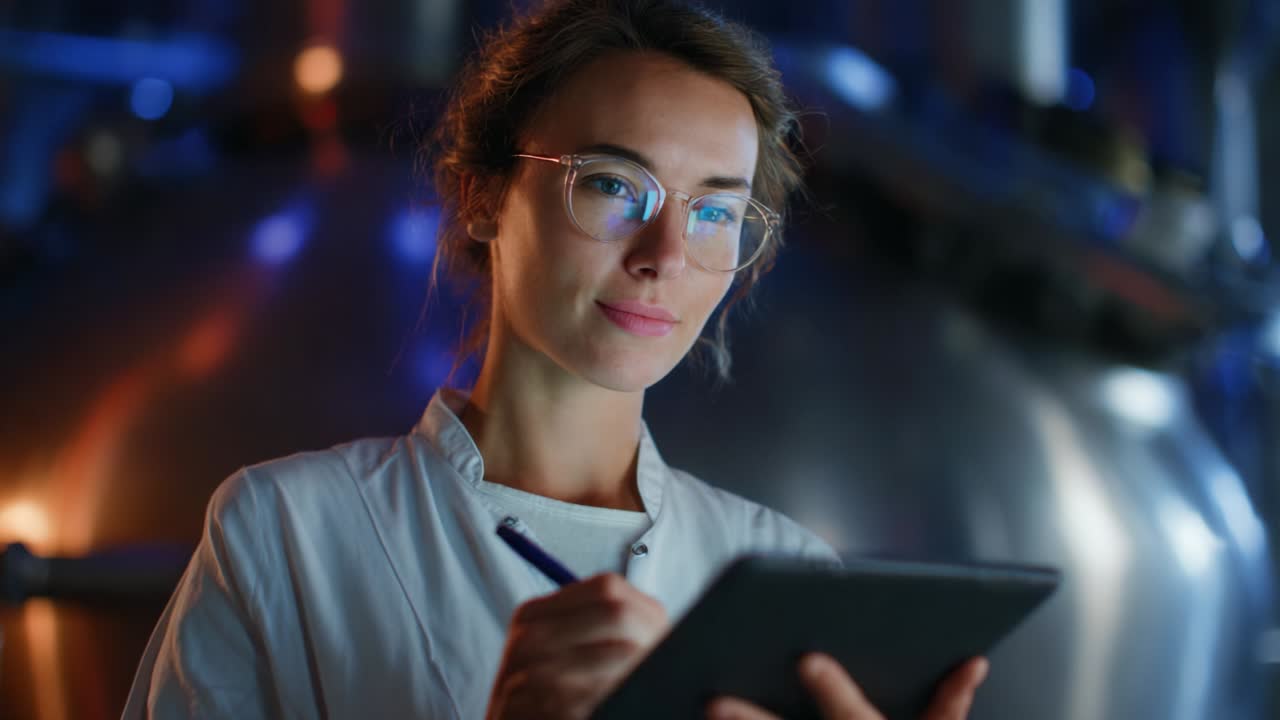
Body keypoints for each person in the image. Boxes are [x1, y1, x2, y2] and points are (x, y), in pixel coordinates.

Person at [122, 1, 989, 718]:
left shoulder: (785, 570)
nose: (665, 255)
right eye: (614, 185)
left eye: (714, 213)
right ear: (483, 196)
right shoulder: (287, 534)